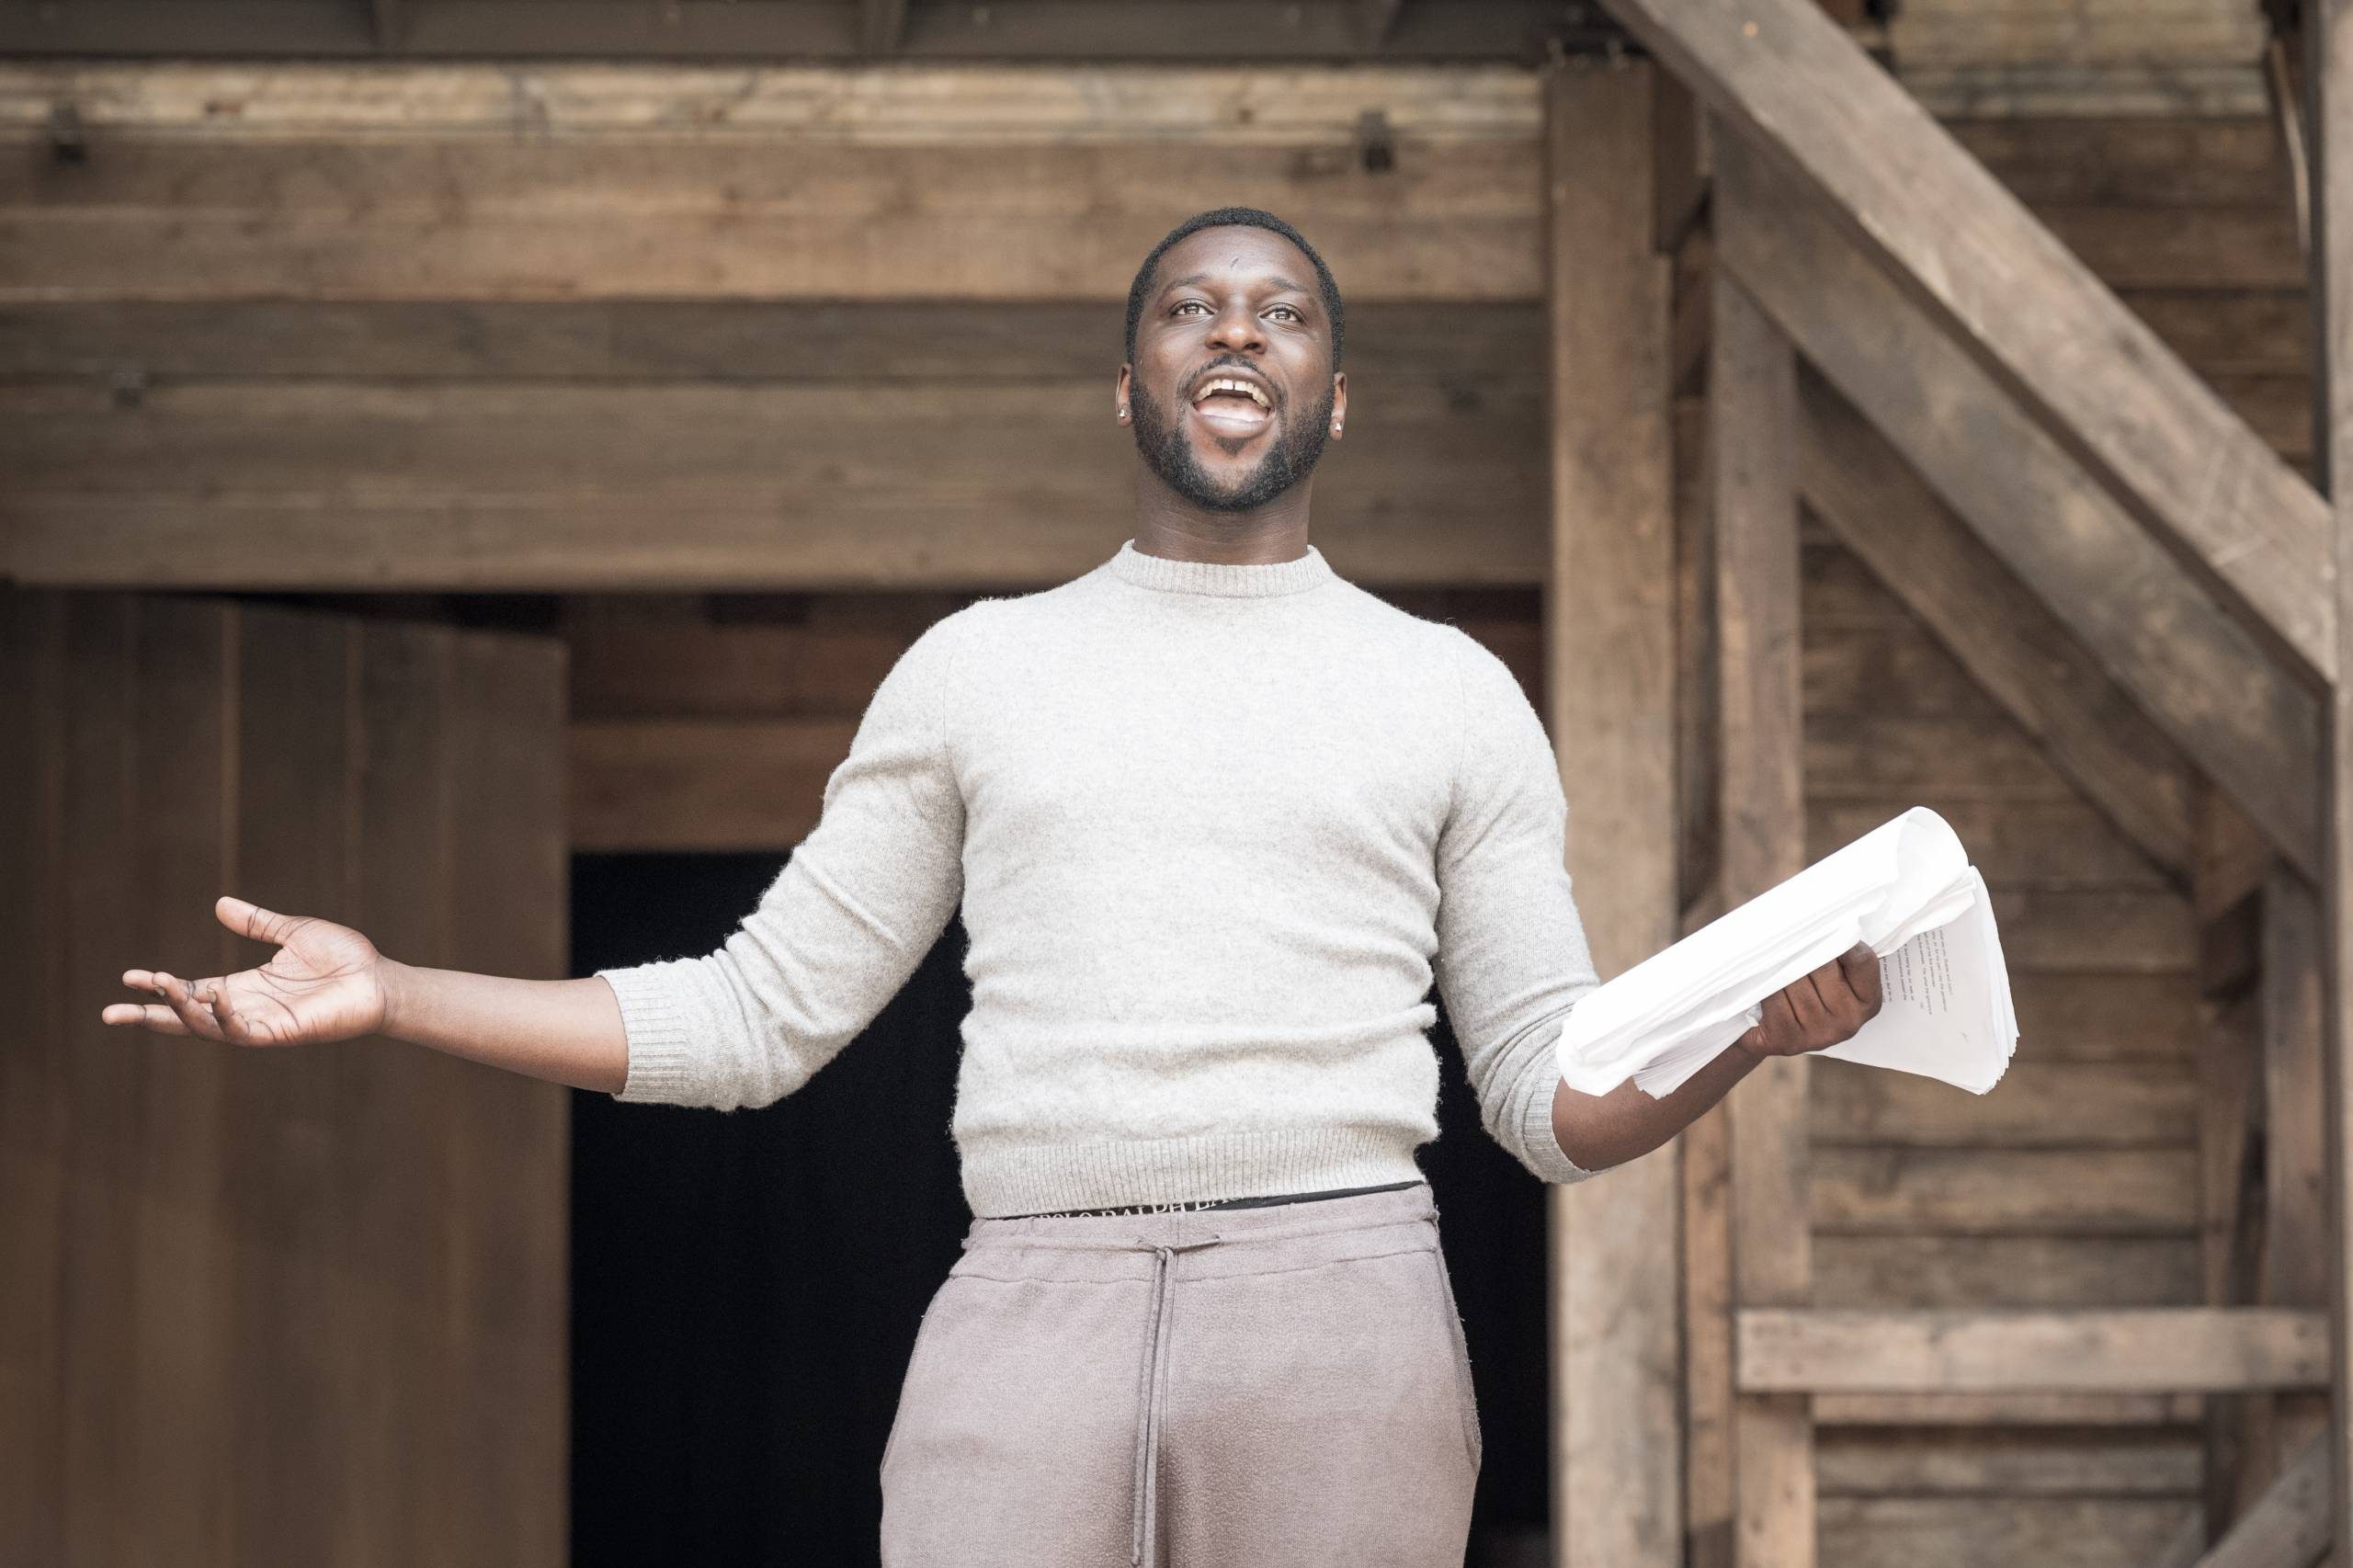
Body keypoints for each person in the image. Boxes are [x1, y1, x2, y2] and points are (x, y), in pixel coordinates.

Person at [105, 206, 1882, 1566]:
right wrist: (392, 987)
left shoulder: (1451, 694)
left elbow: (1548, 1098)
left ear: (1338, 392)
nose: (1237, 331)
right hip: (1031, 1299)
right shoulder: (976, 669)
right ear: (1132, 386)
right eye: (1193, 308)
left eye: (1283, 312)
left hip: (1343, 1307)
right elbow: (753, 1015)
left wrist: (1753, 1031)